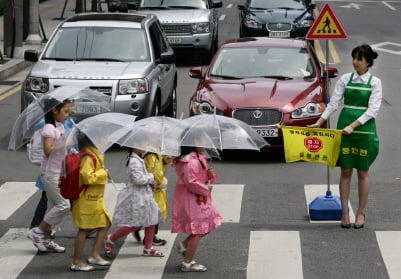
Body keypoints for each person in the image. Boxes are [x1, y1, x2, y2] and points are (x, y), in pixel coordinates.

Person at [308, 44, 382, 229]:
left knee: (362, 172)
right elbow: (333, 104)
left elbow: (373, 110)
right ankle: (344, 213)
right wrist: (319, 122)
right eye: (354, 58)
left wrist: (353, 125)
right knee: (346, 170)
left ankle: (361, 213)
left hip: (364, 130)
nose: (355, 62)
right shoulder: (345, 79)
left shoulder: (375, 82)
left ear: (368, 62)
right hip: (345, 128)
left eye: (359, 59)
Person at [27, 98, 71, 252]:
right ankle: (38, 231)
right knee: (64, 205)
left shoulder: (59, 126)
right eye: (65, 111)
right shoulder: (48, 128)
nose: (68, 114)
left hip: (57, 172)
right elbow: (47, 150)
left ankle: (46, 239)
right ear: (54, 111)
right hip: (50, 173)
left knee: (54, 206)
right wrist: (66, 143)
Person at [104, 147, 164, 258]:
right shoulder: (133, 161)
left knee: (151, 220)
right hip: (137, 196)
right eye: (141, 144)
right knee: (135, 224)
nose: (144, 147)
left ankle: (148, 247)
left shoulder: (138, 158)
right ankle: (111, 239)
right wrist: (151, 177)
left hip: (145, 195)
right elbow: (138, 180)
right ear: (133, 147)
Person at [171, 142, 222, 272]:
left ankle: (183, 246)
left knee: (207, 225)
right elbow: (191, 182)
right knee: (199, 230)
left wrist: (210, 175)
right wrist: (206, 188)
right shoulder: (191, 162)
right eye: (201, 141)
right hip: (194, 200)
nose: (205, 143)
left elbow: (201, 178)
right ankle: (187, 262)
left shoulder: (199, 158)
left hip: (199, 199)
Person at [70, 133, 112, 272]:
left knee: (106, 223)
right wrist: (104, 173)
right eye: (105, 136)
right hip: (87, 199)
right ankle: (76, 261)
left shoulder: (95, 153)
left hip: (95, 198)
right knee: (84, 229)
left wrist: (103, 172)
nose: (107, 139)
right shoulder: (88, 156)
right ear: (96, 139)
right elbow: (87, 177)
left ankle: (94, 255)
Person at [133, 150, 171, 246]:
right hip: (154, 189)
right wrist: (159, 183)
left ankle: (137, 227)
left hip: (155, 188)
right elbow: (152, 172)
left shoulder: (155, 153)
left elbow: (157, 169)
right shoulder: (151, 155)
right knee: (156, 213)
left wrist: (163, 162)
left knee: (151, 213)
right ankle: (151, 237)